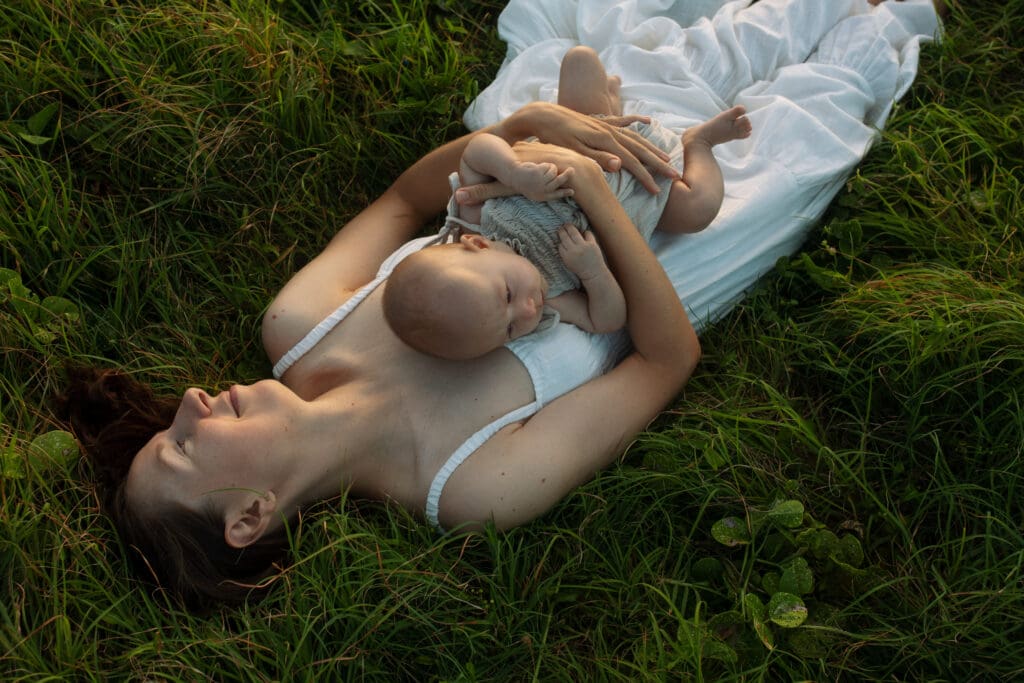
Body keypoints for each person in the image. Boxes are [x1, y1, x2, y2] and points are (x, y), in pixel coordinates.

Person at [57, 0, 942, 606]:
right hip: (663, 261)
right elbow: (665, 358)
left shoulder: (297, 322)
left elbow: (408, 203)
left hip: (530, 180)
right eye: (182, 447)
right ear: (251, 516)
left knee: (694, 53)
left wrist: (527, 137)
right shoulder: (474, 485)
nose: (188, 402)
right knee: (798, 122)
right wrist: (599, 198)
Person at [383, 47, 752, 360]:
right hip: (648, 195)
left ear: (477, 246)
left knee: (579, 60)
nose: (527, 310)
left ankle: (609, 100)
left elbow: (476, 152)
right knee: (697, 210)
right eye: (511, 329)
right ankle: (699, 143)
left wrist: (513, 173)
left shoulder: (475, 218)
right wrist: (593, 273)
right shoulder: (552, 297)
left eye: (508, 295)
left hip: (593, 139)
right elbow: (605, 320)